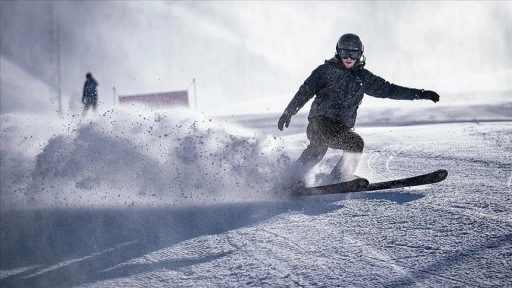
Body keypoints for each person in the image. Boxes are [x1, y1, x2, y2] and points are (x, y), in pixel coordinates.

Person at [278, 33, 440, 188]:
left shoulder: (362, 78)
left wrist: (420, 94)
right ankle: (293, 181)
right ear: (338, 52)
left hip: (341, 128)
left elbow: (389, 90)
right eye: (345, 53)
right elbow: (305, 91)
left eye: (354, 54)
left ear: (360, 55)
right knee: (326, 148)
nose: (349, 58)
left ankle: (334, 178)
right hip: (319, 123)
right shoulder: (325, 71)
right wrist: (289, 112)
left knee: (350, 145)